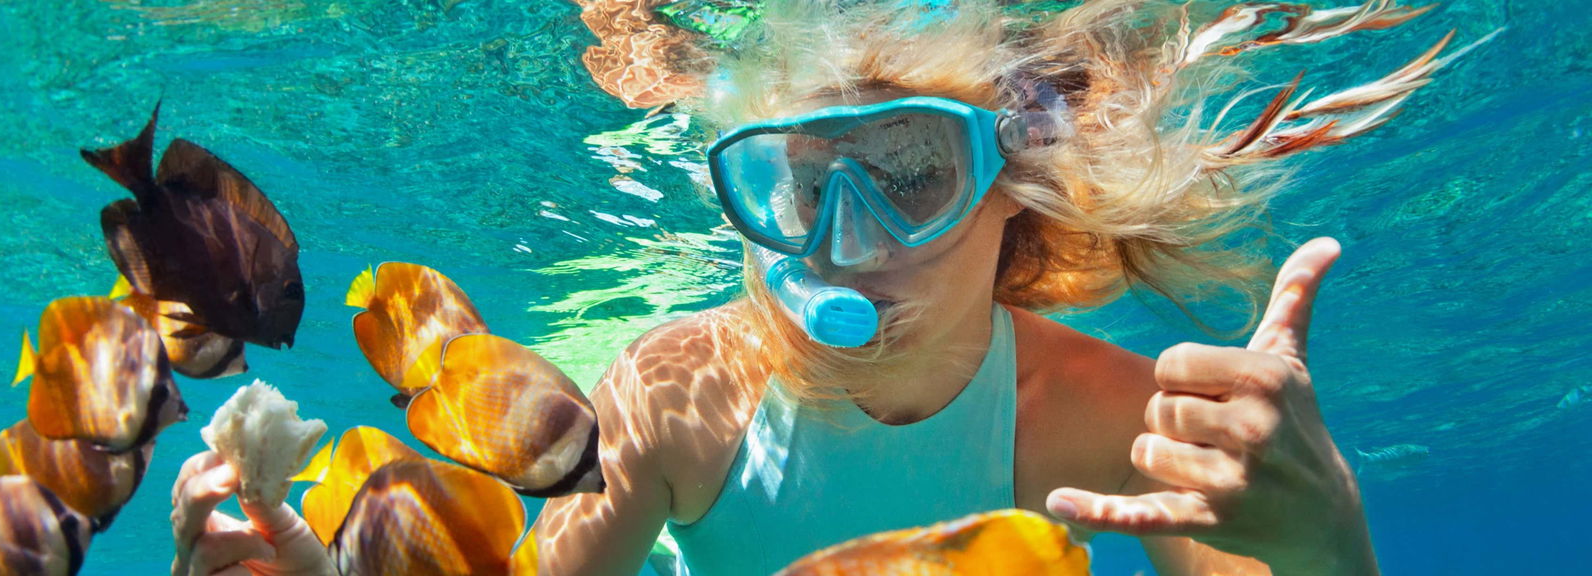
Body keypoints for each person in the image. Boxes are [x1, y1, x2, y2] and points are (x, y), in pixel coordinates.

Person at [173, 1, 1467, 574]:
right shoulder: (680, 399)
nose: (841, 240)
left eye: (908, 171)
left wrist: (1322, 542)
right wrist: (302, 562)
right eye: (796, 184)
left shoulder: (1108, 418)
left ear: (1011, 191)